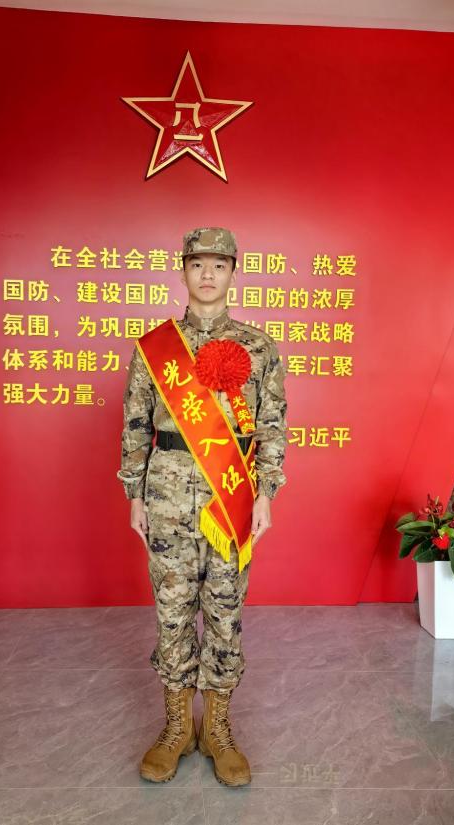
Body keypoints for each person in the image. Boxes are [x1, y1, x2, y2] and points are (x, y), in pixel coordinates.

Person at [117, 227, 288, 786]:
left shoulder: (259, 347)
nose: (208, 274)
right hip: (166, 495)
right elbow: (135, 425)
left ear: (234, 271)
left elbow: (272, 426)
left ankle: (217, 728)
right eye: (197, 264)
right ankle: (176, 728)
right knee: (171, 613)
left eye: (218, 264)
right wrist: (134, 494)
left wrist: (265, 494)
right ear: (183, 271)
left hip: (229, 498)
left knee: (224, 611)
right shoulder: (155, 348)